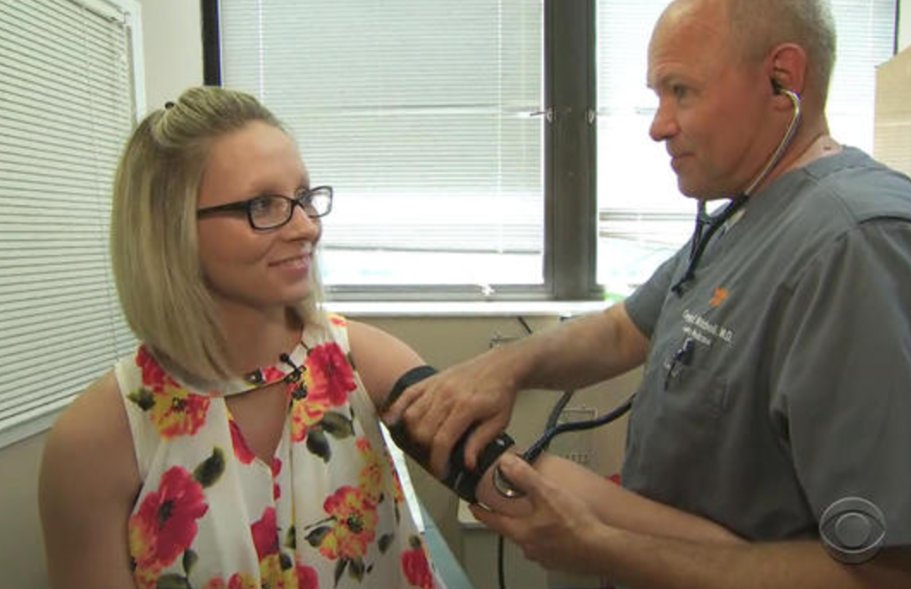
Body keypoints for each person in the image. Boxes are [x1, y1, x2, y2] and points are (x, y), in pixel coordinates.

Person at [384, 0, 911, 587]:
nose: (659, 127)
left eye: (681, 91)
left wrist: (603, 547)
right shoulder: (750, 213)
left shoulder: (868, 251)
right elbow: (625, 328)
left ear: (782, 80)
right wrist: (507, 367)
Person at [37, 86, 738, 589]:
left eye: (304, 197)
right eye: (263, 205)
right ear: (170, 231)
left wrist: (741, 556)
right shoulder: (98, 442)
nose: (306, 226)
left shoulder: (355, 361)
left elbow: (517, 478)